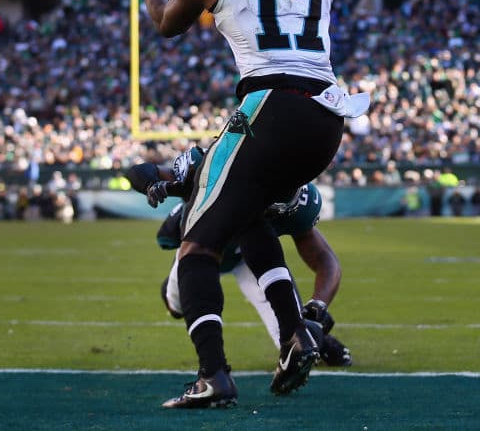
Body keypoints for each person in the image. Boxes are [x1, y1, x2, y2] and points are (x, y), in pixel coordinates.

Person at [122, 0, 368, 408]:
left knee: (197, 248)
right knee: (253, 223)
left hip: (272, 107)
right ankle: (295, 337)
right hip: (327, 115)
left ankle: (214, 374)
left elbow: (168, 23)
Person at [126, 148, 352, 367]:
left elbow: (325, 260)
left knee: (293, 337)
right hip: (200, 245)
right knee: (176, 307)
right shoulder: (212, 167)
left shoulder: (299, 204)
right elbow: (141, 171)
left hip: (251, 258)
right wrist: (151, 184)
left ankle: (318, 342)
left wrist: (318, 304)